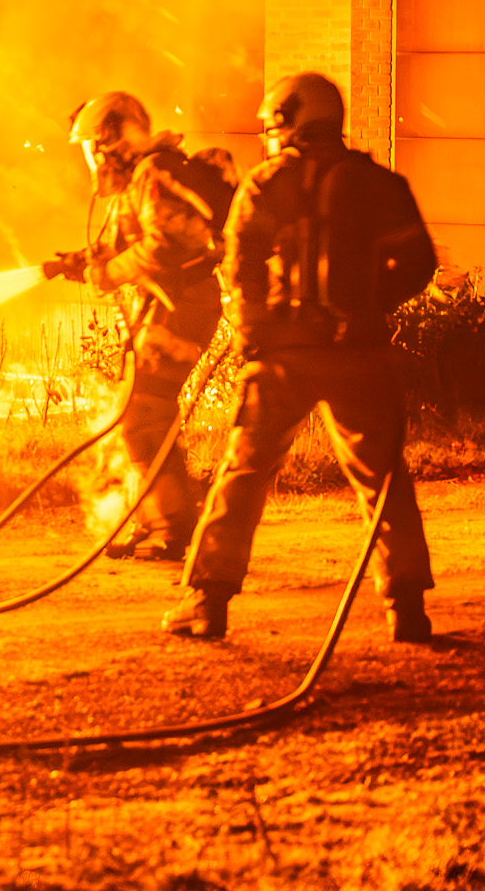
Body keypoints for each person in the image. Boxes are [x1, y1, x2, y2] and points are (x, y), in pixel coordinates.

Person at [165, 72, 439, 643]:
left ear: (289, 121)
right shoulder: (381, 185)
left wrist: (251, 338)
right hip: (361, 356)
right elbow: (418, 265)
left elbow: (238, 268)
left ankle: (206, 604)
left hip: (284, 356)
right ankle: (406, 608)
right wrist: (366, 309)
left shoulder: (268, 184)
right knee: (385, 482)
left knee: (242, 474)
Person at [42, 91, 235, 562]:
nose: (90, 158)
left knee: (144, 412)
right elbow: (119, 245)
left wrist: (105, 273)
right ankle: (148, 518)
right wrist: (78, 262)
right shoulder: (138, 183)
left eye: (92, 146)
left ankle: (170, 528)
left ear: (111, 140)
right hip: (165, 303)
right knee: (136, 413)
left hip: (184, 304)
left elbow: (164, 246)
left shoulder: (154, 174)